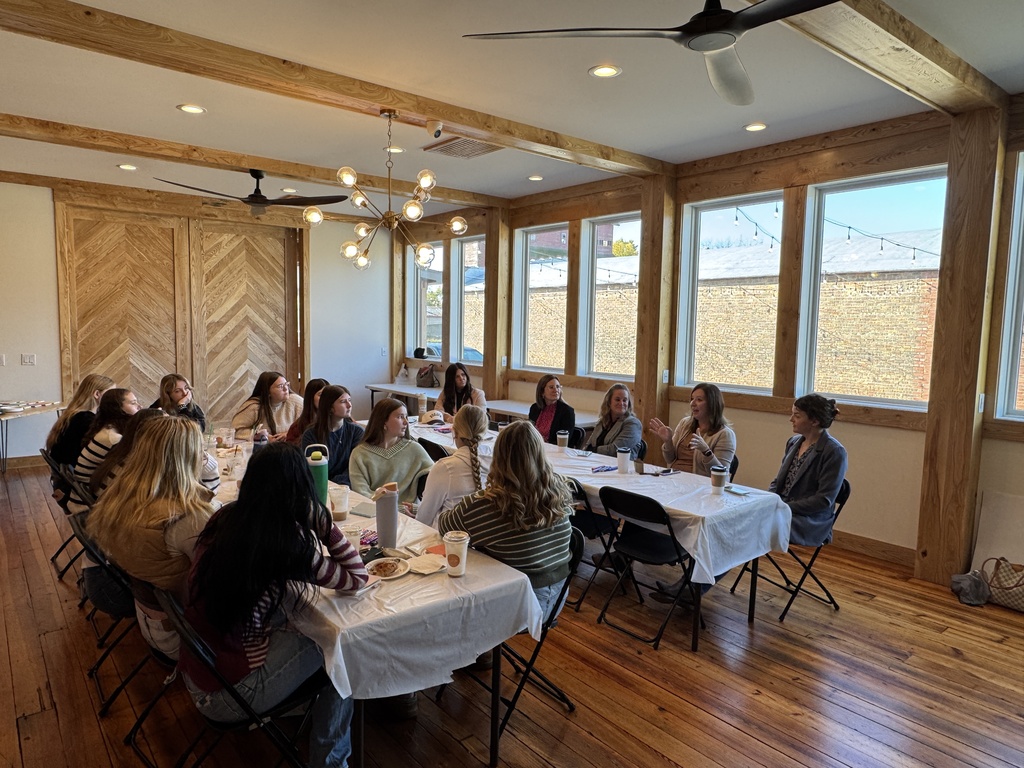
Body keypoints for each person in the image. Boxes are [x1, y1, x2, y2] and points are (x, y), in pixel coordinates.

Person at [181, 443, 367, 768]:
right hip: (229, 693)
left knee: (304, 620)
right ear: (301, 491)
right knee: (339, 646)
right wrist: (324, 524)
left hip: (200, 670)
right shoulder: (285, 542)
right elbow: (357, 578)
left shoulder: (226, 517)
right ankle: (330, 763)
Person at [87, 417, 215, 656]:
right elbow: (224, 585)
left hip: (149, 618)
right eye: (202, 451)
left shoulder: (121, 496)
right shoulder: (187, 518)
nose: (203, 457)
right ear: (188, 458)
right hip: (183, 636)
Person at [437, 420, 572, 620]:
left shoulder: (486, 504)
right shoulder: (559, 492)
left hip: (519, 601)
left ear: (498, 457)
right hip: (558, 595)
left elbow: (446, 528)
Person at [769, 394, 848, 547]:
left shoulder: (834, 452)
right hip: (782, 509)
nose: (791, 419)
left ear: (814, 421)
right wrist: (768, 500)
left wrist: (784, 507)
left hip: (809, 519)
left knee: (756, 522)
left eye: (797, 416)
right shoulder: (793, 443)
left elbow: (824, 500)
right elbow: (778, 482)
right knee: (747, 515)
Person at [67, 388, 140, 513]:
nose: (139, 406)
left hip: (85, 496)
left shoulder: (107, 429)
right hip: (87, 505)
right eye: (133, 403)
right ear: (118, 409)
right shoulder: (113, 438)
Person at [348, 398, 433, 504]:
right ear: (383, 421)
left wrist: (416, 509)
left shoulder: (415, 449)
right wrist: (391, 507)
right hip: (375, 510)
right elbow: (361, 493)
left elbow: (436, 479)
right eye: (400, 417)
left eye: (406, 417)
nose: (406, 422)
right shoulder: (359, 454)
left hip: (409, 512)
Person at [417, 405, 488, 527]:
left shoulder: (445, 467)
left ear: (454, 432)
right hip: (483, 535)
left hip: (448, 535)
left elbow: (424, 519)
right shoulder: (497, 462)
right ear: (484, 432)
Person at [648, 382, 736, 476]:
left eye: (699, 400)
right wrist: (668, 441)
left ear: (712, 404)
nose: (692, 403)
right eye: (692, 399)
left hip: (700, 482)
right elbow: (670, 459)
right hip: (674, 477)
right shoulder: (684, 424)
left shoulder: (725, 434)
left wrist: (706, 451)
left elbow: (721, 474)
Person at [45, 373, 115, 465]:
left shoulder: (73, 414)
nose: (114, 398)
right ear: (97, 394)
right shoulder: (85, 419)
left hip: (65, 467)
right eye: (111, 394)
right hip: (74, 468)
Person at [301, 385, 364, 486]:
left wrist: (340, 484)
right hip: (320, 484)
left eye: (349, 400)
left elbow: (355, 467)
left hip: (348, 485)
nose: (349, 405)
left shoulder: (357, 432)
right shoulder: (311, 434)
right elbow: (313, 469)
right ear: (330, 407)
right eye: (343, 401)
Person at [231, 371, 304, 441]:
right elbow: (236, 430)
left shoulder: (296, 401)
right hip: (262, 446)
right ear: (268, 392)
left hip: (291, 446)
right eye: (280, 386)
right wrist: (262, 437)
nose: (286, 389)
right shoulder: (254, 406)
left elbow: (308, 425)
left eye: (286, 384)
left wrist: (289, 434)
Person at [586, 384, 643, 459]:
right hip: (596, 462)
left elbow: (615, 450)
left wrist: (594, 450)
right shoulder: (603, 421)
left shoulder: (633, 424)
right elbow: (588, 445)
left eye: (625, 400)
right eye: (617, 400)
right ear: (609, 402)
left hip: (620, 465)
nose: (621, 403)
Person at [528, 374, 576, 445]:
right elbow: (529, 433)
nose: (556, 390)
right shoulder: (535, 408)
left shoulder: (567, 411)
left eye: (558, 387)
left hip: (554, 448)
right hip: (535, 447)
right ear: (542, 392)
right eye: (551, 387)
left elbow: (563, 440)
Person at [286, 377, 330, 445]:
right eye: (321, 395)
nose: (325, 398)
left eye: (328, 394)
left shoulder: (337, 420)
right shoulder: (297, 427)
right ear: (311, 397)